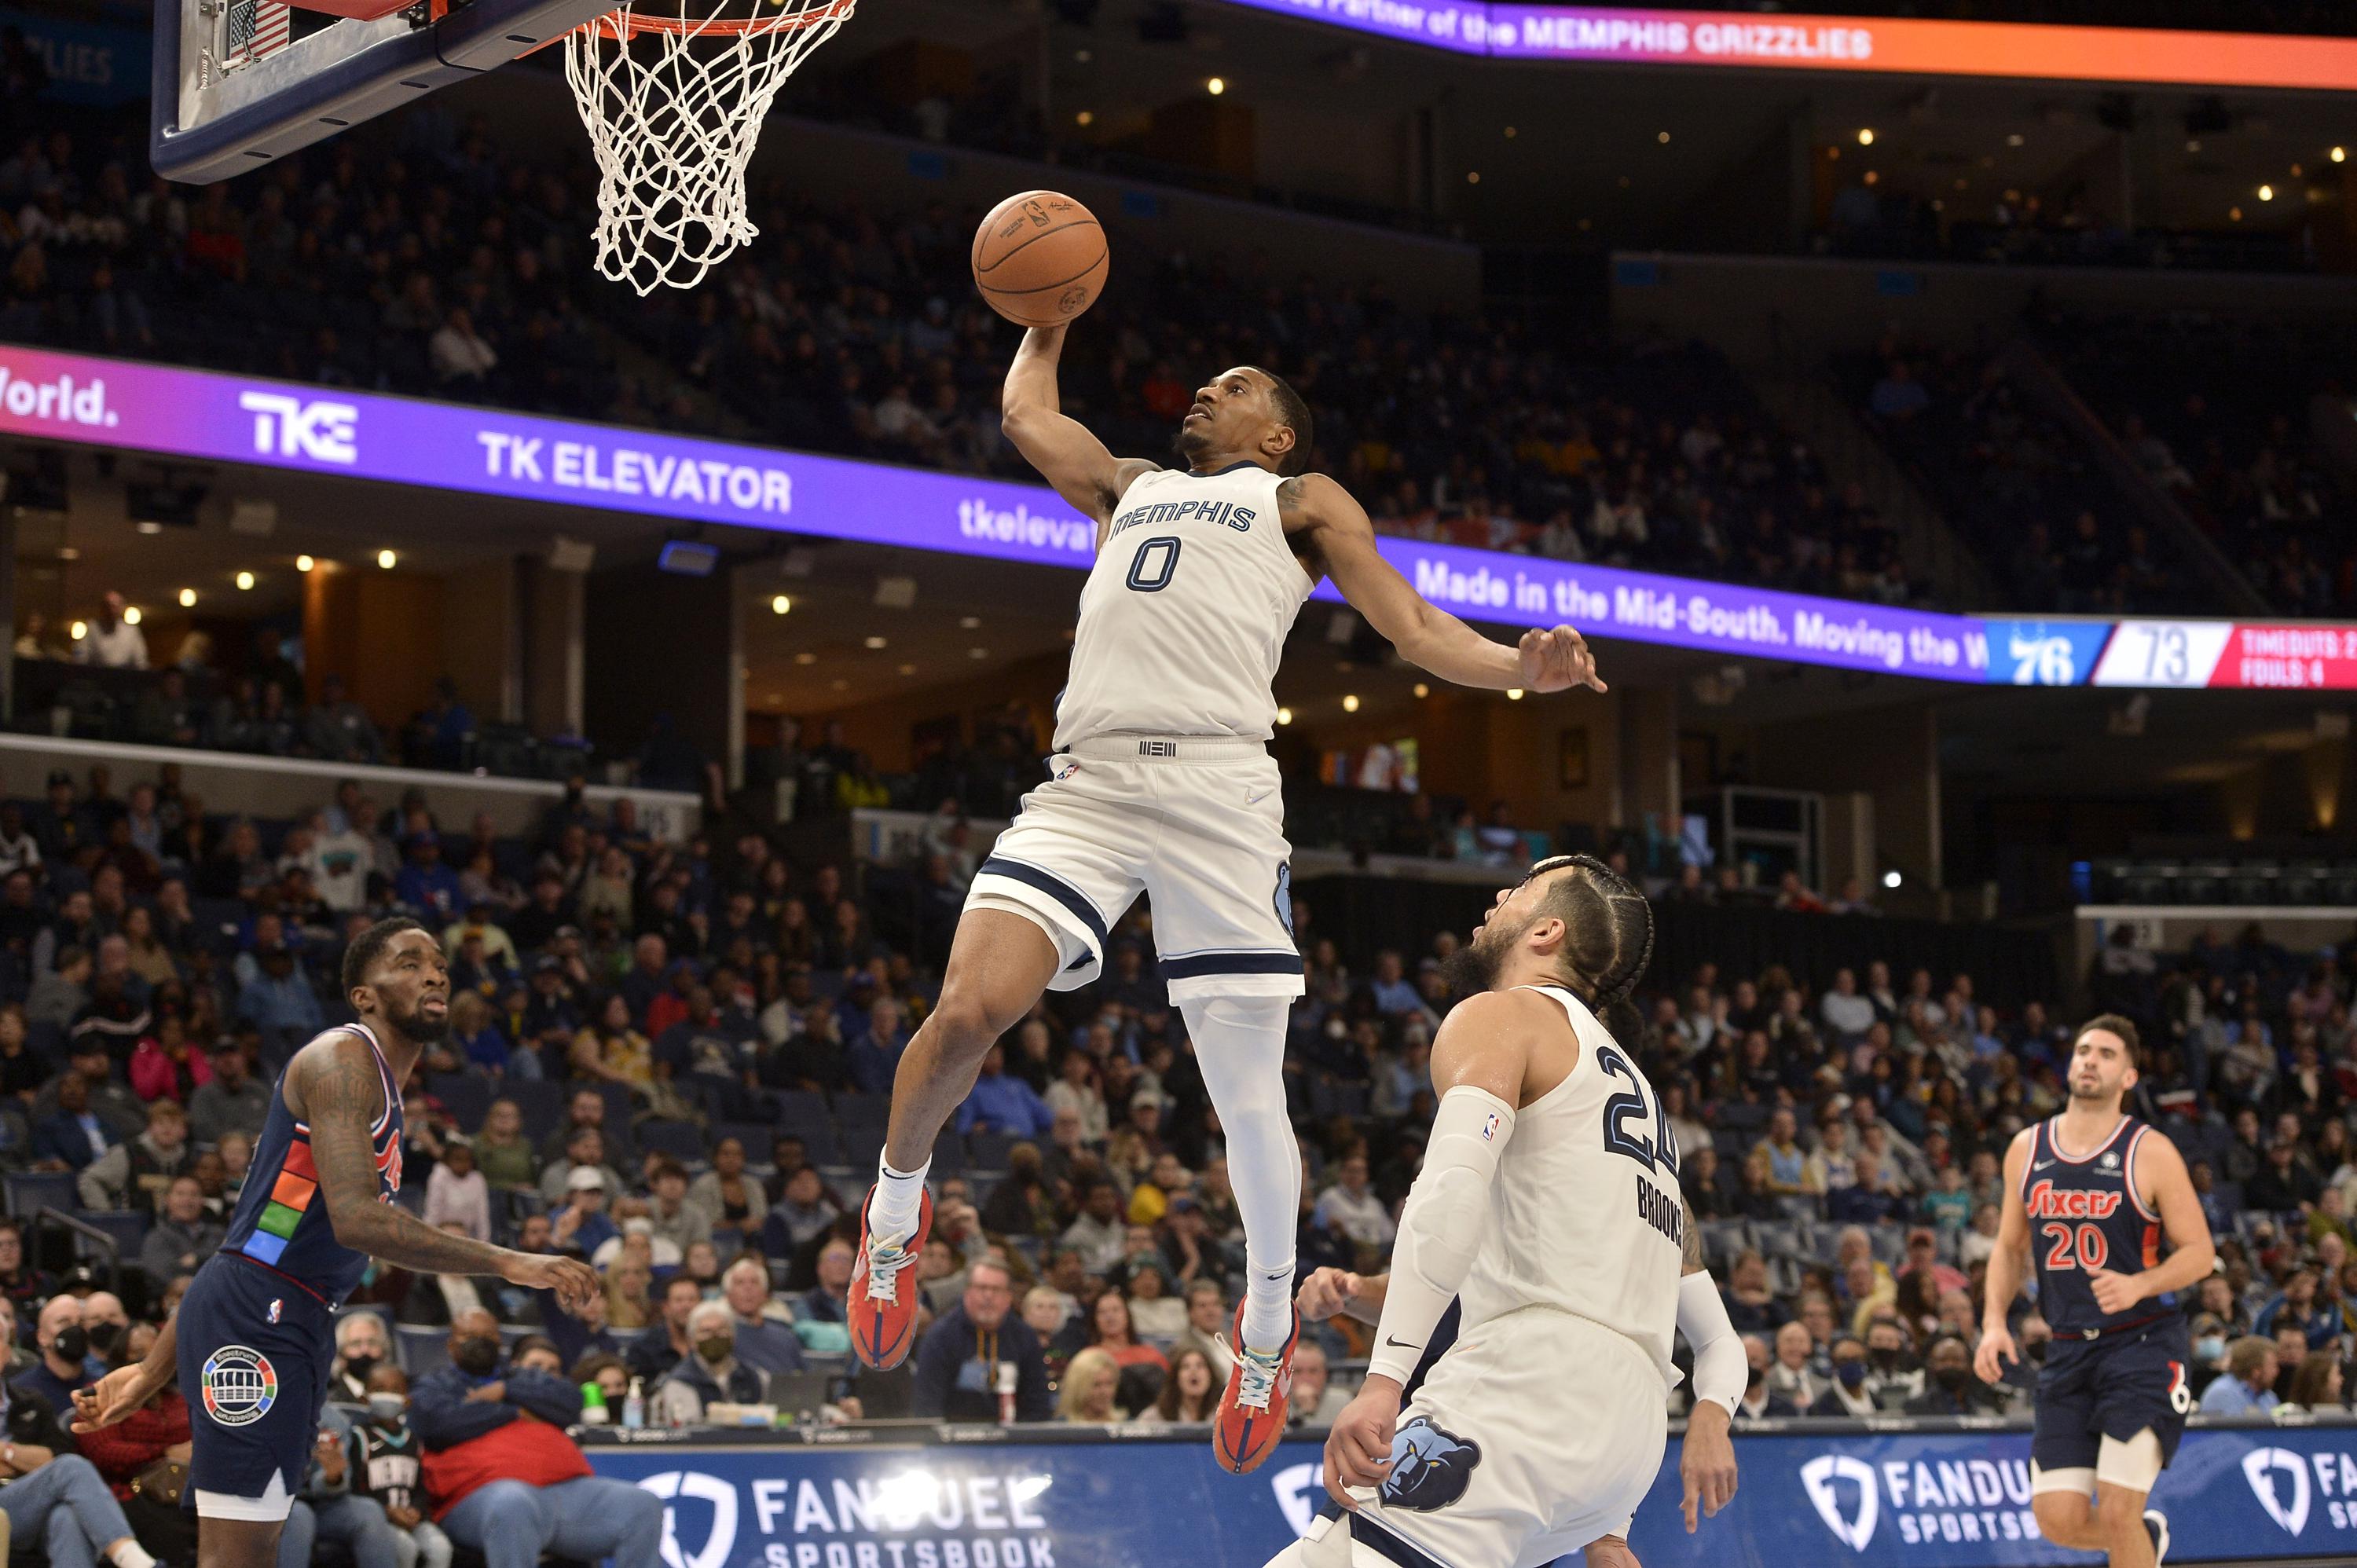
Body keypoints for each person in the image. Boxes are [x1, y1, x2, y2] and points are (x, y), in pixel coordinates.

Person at [852, 326, 1607, 1482]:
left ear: (1279, 434)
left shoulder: (1302, 500)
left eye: (1236, 386)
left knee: (1246, 1100)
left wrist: (1519, 668)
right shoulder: (1130, 482)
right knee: (965, 1014)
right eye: (1206, 382)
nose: (1206, 390)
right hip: (1090, 785)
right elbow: (1025, 418)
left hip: (1219, 796)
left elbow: (1412, 628)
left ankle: (1263, 1332)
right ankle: (893, 1226)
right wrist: (1047, 321)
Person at [72, 919, 598, 1568]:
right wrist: (509, 1261)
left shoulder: (380, 1089)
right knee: (235, 1559)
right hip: (259, 1318)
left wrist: (151, 1372)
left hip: (279, 1310)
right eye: (409, 963)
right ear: (363, 996)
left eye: (438, 964)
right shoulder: (342, 1062)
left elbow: (254, 1245)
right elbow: (355, 1220)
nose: (433, 974)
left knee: (256, 1550)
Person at [1269, 857, 1739, 1568]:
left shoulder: (1504, 1016)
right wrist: (1608, 1524)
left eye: (1521, 889)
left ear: (1547, 931)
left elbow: (1449, 1195)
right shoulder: (1644, 1113)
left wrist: (1384, 1381)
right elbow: (1589, 1293)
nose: (1498, 895)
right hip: (1628, 1441)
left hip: (1528, 1388)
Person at [1975, 1015, 2216, 1568]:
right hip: (2067, 1348)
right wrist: (1992, 1324)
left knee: (2117, 1509)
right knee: (2057, 1519)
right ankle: (2146, 1542)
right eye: (2084, 1050)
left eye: (2107, 1054)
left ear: (2128, 1077)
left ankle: (2134, 1536)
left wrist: (2140, 1284)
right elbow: (2009, 1247)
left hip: (2142, 1344)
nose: (2090, 1060)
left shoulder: (2149, 1150)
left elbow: (2200, 1253)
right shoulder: (2027, 1147)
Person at [409, 1310, 660, 1568]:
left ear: (499, 1341)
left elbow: (571, 1401)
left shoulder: (519, 1377)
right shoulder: (434, 1385)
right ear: (451, 1345)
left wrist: (504, 1390)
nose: (479, 1341)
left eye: (488, 1335)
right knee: (513, 1503)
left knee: (641, 1505)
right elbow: (436, 1423)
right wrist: (514, 1411)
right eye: (469, 1335)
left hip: (563, 1488)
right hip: (477, 1494)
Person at [909, 1258, 1050, 1424]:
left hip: (1014, 1436)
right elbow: (927, 1407)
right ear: (967, 1292)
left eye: (996, 1290)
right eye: (982, 1288)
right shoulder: (940, 1338)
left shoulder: (1025, 1338)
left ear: (1009, 1297)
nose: (988, 1296)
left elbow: (1038, 1404)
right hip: (953, 1436)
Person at [352, 1366, 447, 1568]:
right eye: (379, 1389)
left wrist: (417, 1511)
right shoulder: (359, 1437)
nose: (388, 1395)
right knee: (405, 1547)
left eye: (395, 1390)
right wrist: (386, 1511)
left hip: (411, 1518)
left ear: (407, 1400)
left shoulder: (413, 1440)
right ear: (364, 1398)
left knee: (440, 1548)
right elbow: (355, 1489)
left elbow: (419, 1488)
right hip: (380, 1521)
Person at [651, 1302, 768, 1424]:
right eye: (706, 1331)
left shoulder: (755, 1377)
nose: (714, 1336)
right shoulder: (680, 1382)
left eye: (721, 1329)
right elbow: (689, 1427)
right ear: (692, 1341)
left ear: (733, 1337)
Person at [2197, 1337, 2282, 1416]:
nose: (2277, 1372)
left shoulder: (2269, 1397)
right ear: (2256, 1371)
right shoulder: (2221, 1393)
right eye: (2273, 1366)